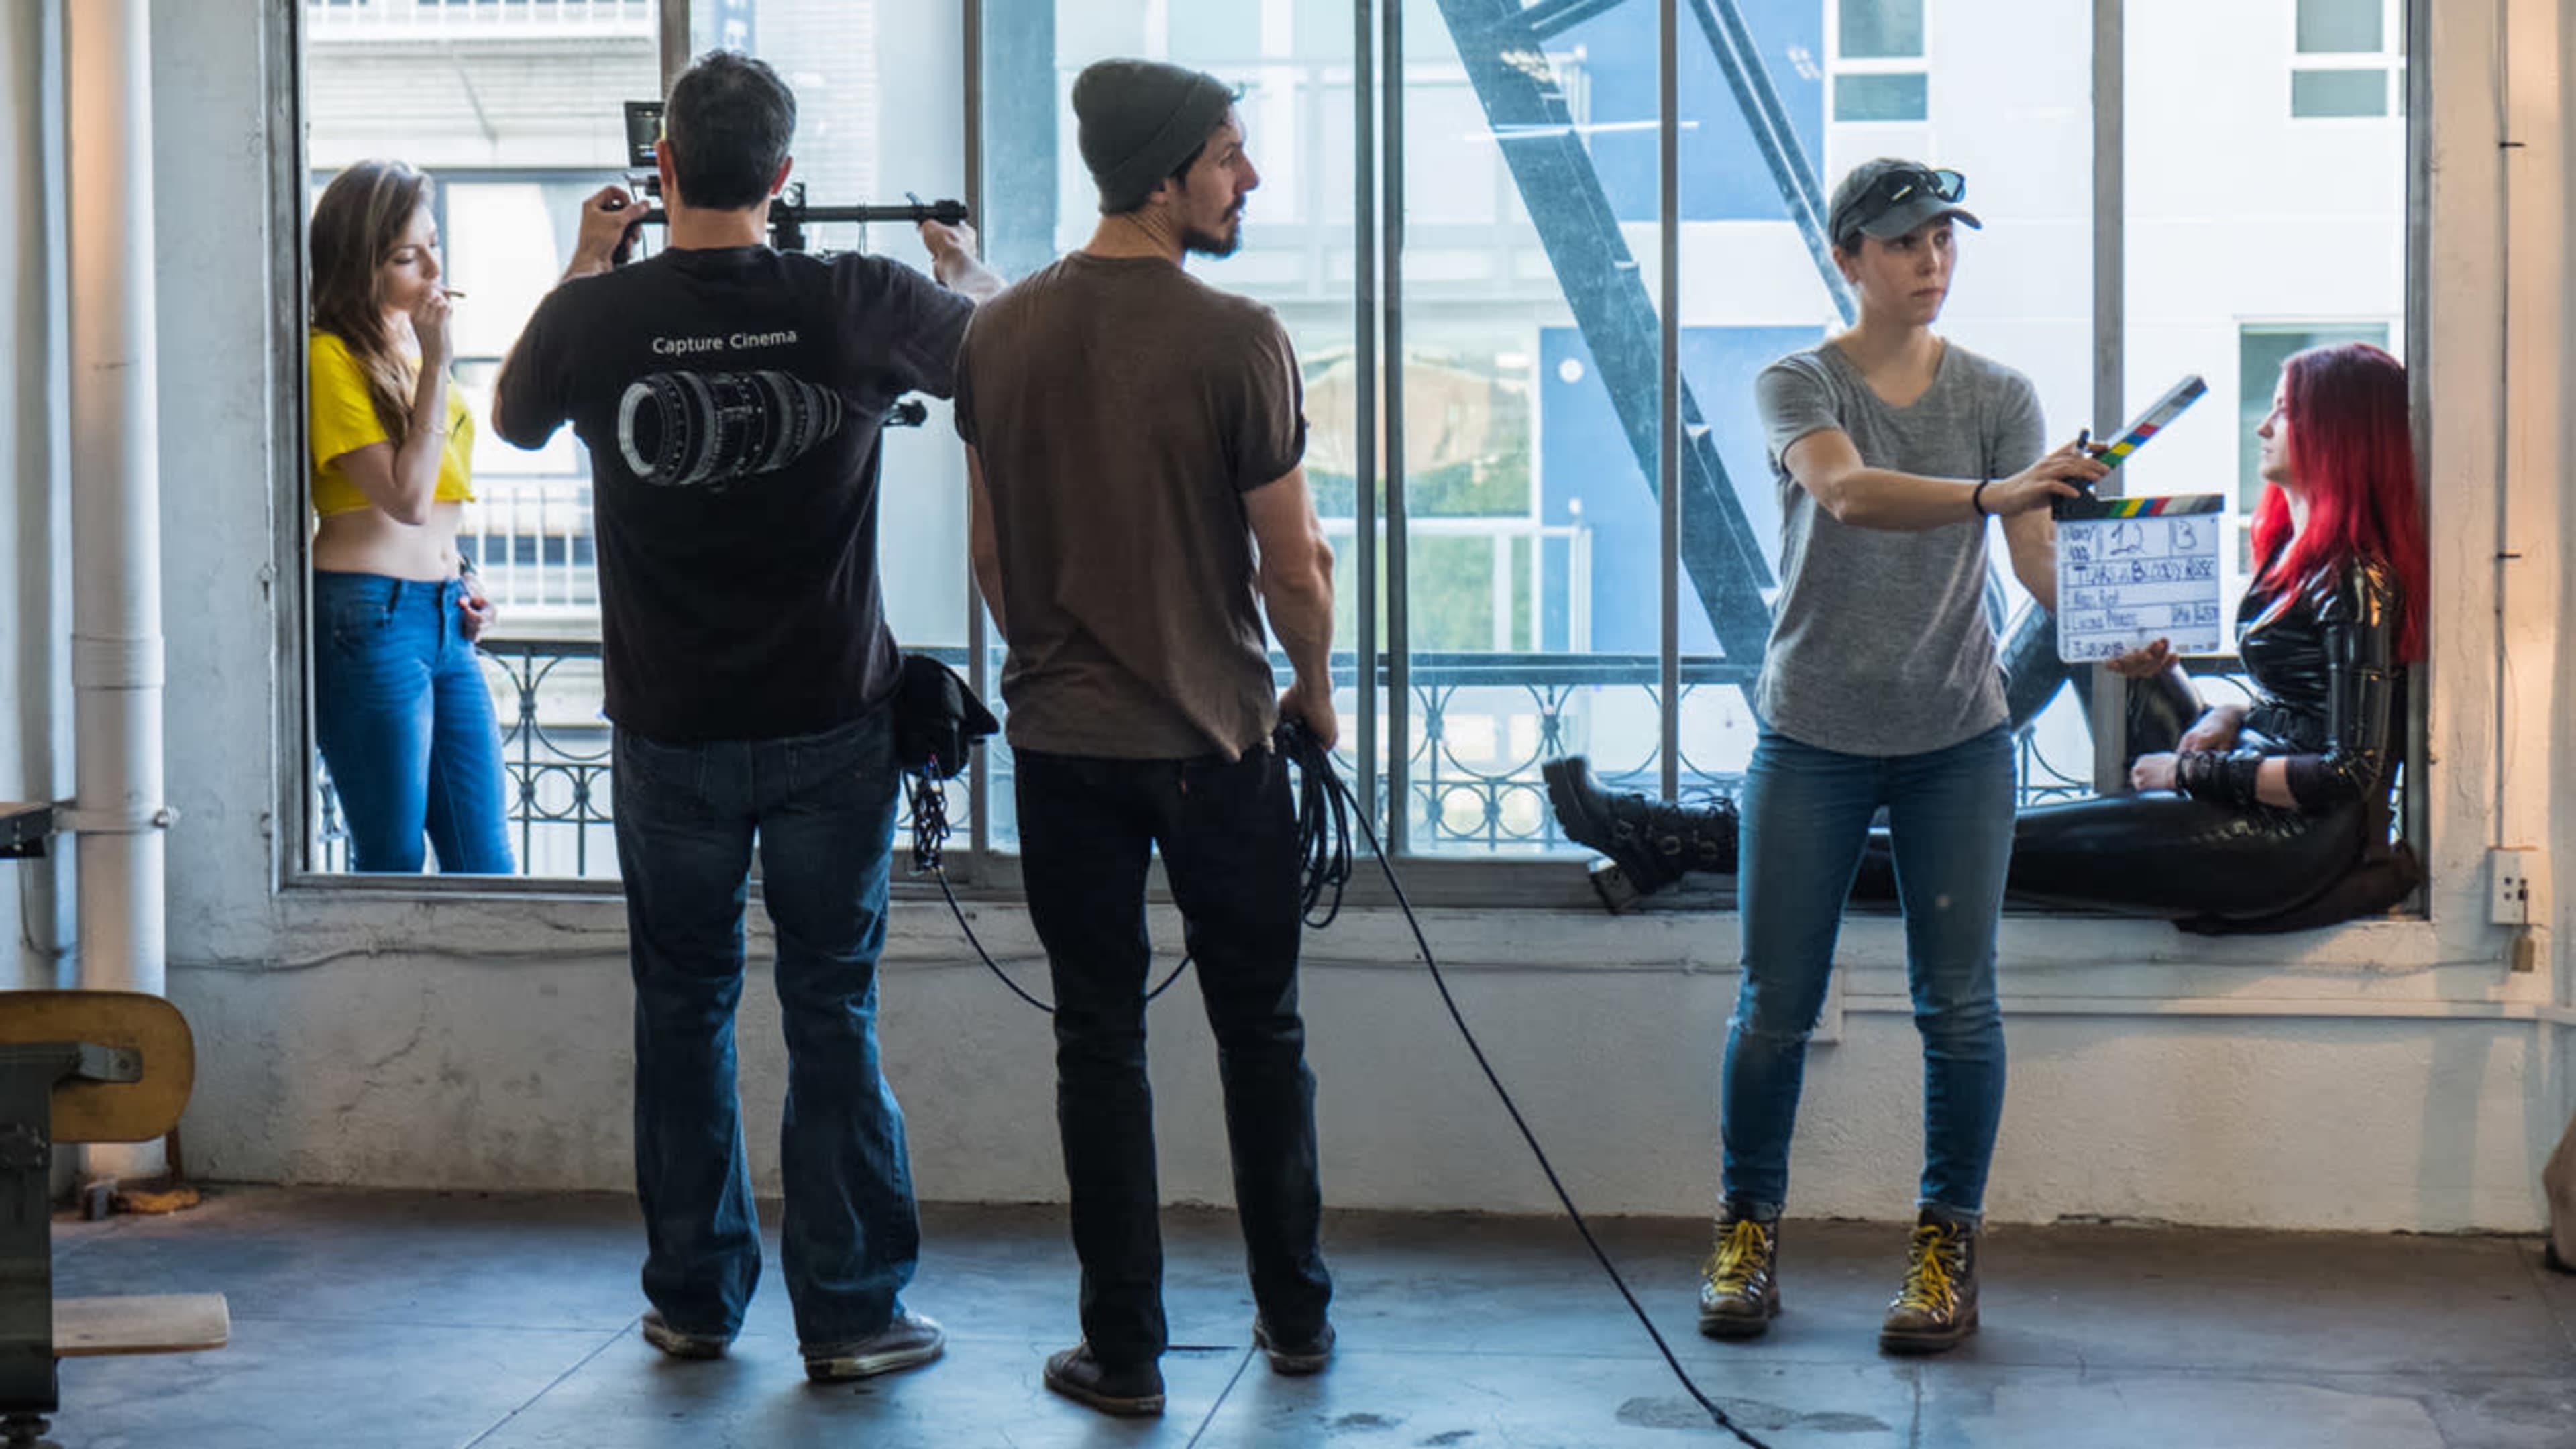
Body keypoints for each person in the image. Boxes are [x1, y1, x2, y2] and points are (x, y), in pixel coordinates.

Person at [489, 51, 1001, 1383]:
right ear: (783, 177)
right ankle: (850, 1318)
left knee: (682, 1007)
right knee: (833, 1005)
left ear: (662, 170)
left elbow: (516, 414)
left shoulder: (595, 320)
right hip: (832, 717)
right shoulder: (858, 295)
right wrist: (961, 267)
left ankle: (694, 1303)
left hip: (669, 727)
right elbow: (1003, 363)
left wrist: (593, 262)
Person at [1554, 158, 2107, 1356]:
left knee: (1958, 1007)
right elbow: (1849, 496)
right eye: (1905, 242)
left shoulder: (2001, 393)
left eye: (1945, 242)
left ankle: (1943, 1248)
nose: (1932, 262)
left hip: (1958, 740)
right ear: (1849, 255)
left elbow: (2037, 566)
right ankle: (1745, 1235)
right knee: (1774, 1006)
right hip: (1809, 739)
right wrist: (2000, 486)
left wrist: (2121, 628)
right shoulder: (1795, 381)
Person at [953, 58, 1339, 1418]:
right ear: (1166, 176)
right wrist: (1317, 689)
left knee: (1096, 1043)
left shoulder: (996, 339)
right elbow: (1290, 567)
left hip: (1063, 748)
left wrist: (1059, 659)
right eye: (1231, 157)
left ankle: (1122, 1356)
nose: (1251, 180)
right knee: (1261, 1035)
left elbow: (993, 553)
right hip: (1219, 743)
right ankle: (1294, 1320)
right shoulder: (1237, 337)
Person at [1550, 341, 2426, 935]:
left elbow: (2351, 774)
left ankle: (1687, 842)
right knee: (2075, 606)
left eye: (2283, 412)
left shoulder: (2358, 577)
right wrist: (2227, 718)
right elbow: (2299, 701)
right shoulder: (2302, 555)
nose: (2264, 425)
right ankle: (1932, 755)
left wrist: (2192, 768)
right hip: (2240, 773)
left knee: (1964, 858)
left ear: (2340, 433)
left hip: (2280, 836)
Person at [305, 160, 513, 875]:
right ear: (357, 267)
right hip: (368, 617)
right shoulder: (329, 356)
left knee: (486, 864)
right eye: (404, 255)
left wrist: (465, 574)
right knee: (390, 859)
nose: (431, 267)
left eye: (433, 244)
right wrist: (436, 366)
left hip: (445, 615)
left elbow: (438, 506)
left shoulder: (408, 349)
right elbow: (406, 497)